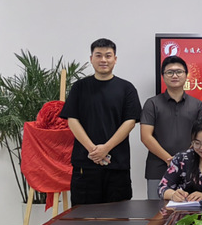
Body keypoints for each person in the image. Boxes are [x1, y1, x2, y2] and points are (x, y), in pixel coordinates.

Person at [60, 38, 142, 205]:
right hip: (85, 165)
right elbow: (72, 120)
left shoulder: (127, 88)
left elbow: (130, 122)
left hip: (117, 165)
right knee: (83, 216)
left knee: (118, 215)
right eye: (98, 55)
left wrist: (106, 148)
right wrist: (93, 150)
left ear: (115, 59)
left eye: (108, 55)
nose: (103, 60)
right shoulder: (79, 87)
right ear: (91, 59)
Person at [141, 56, 202, 199]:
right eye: (169, 72)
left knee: (190, 208)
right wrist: (169, 160)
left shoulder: (197, 105)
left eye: (179, 72)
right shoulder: (152, 104)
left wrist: (182, 160)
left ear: (186, 75)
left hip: (190, 167)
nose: (174, 75)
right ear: (163, 76)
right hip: (157, 168)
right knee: (156, 209)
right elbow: (146, 136)